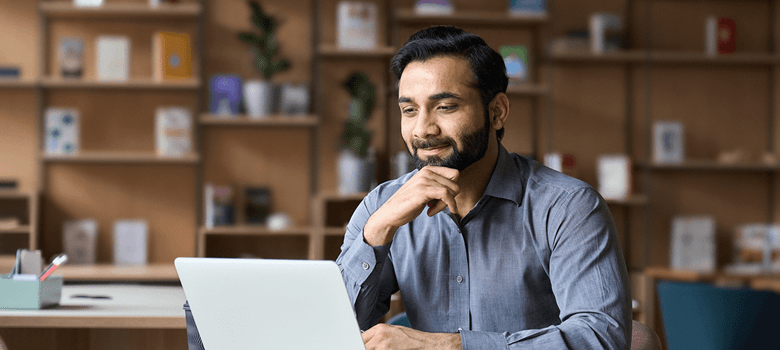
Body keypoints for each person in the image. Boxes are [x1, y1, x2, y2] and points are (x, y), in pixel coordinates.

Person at [336, 25, 632, 350]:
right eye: (409, 110)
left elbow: (602, 338)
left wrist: (449, 346)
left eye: (446, 106)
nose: (423, 129)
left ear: (497, 112)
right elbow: (333, 331)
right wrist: (377, 231)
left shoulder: (569, 207)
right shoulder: (381, 206)